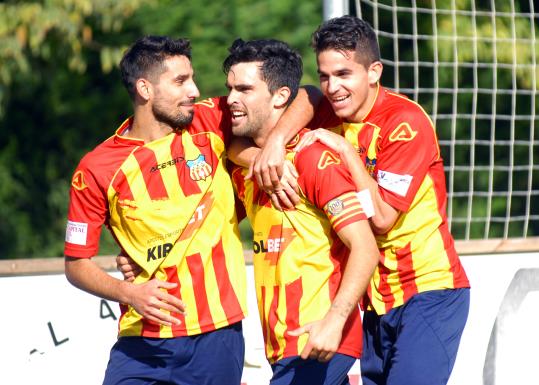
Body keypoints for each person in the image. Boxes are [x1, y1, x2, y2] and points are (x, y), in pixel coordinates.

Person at [252, 16, 471, 385]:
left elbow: (383, 217)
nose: (333, 87)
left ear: (374, 72)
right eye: (326, 75)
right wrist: (276, 141)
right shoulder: (329, 107)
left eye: (343, 74)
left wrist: (344, 150)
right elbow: (307, 94)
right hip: (372, 299)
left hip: (428, 290)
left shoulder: (405, 122)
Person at [64, 36, 249, 385]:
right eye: (180, 81)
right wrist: (129, 293)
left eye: (192, 78)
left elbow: (300, 95)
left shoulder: (209, 123)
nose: (194, 90)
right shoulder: (96, 167)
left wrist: (263, 155)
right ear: (145, 89)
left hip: (215, 336)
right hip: (140, 343)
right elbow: (76, 264)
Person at [224, 38, 379, 384]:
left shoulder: (312, 157)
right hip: (282, 348)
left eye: (245, 89)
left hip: (318, 340)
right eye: (230, 88)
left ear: (280, 96)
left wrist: (334, 321)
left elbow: (366, 248)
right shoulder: (242, 168)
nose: (231, 98)